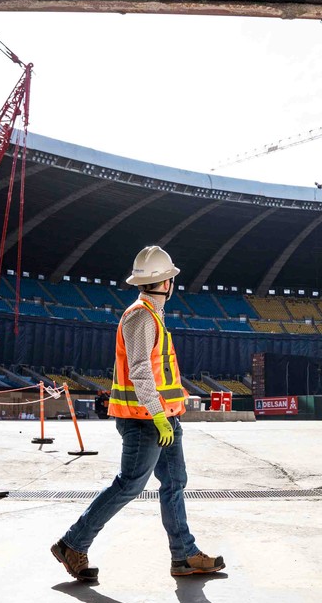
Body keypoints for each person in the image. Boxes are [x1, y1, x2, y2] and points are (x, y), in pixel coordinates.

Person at [52, 246, 225, 582]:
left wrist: (167, 415)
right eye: (171, 278)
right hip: (145, 420)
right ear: (165, 283)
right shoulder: (141, 316)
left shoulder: (152, 314)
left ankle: (184, 555)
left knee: (174, 482)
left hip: (163, 418)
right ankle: (73, 543)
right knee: (129, 484)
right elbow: (141, 371)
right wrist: (158, 414)